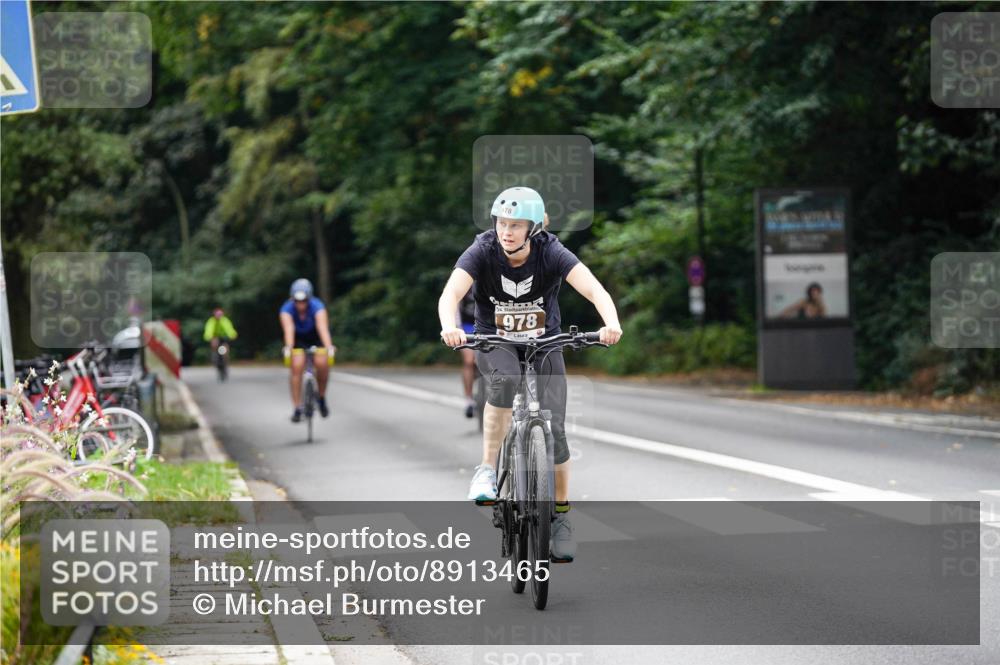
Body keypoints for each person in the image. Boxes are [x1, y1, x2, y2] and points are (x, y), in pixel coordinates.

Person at [438, 186, 622, 562]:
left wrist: (611, 322)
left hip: (545, 340)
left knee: (556, 429)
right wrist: (449, 326)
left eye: (516, 225)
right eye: (502, 223)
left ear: (534, 228)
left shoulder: (551, 252)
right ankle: (487, 471)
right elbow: (450, 294)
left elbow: (594, 289)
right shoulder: (483, 250)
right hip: (495, 340)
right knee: (504, 384)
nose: (506, 231)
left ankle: (560, 519)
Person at [279, 278, 336, 423]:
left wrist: (328, 346)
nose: (301, 304)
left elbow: (322, 328)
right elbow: (289, 329)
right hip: (298, 340)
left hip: (316, 338)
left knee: (322, 364)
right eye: (297, 301)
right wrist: (289, 348)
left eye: (304, 300)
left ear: (309, 298)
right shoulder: (286, 309)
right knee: (296, 366)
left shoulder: (317, 306)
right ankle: (297, 407)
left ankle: (321, 397)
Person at [457, 291, 477, 418]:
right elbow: (454, 306)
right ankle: (468, 399)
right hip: (466, 326)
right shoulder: (464, 280)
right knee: (469, 361)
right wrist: (455, 328)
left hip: (488, 325)